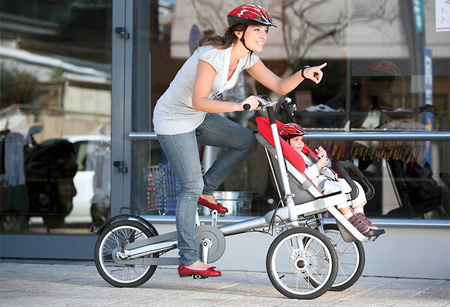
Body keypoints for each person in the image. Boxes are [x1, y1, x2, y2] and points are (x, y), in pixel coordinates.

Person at [153, 4, 327, 278]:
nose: (263, 36)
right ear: (239, 31)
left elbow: (279, 86)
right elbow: (199, 100)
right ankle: (188, 258)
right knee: (189, 186)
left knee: (247, 141)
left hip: (197, 117)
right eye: (257, 30)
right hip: (173, 120)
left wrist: (303, 73)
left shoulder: (245, 58)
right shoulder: (213, 56)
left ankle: (206, 188)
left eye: (265, 31)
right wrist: (241, 105)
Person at [279, 122, 379, 234]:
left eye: (301, 140)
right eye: (296, 140)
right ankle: (350, 219)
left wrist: (320, 158)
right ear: (286, 142)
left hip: (323, 181)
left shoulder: (301, 154)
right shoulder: (289, 158)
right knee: (337, 190)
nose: (300, 143)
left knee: (354, 185)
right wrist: (319, 164)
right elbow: (305, 176)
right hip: (311, 188)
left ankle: (359, 215)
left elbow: (316, 168)